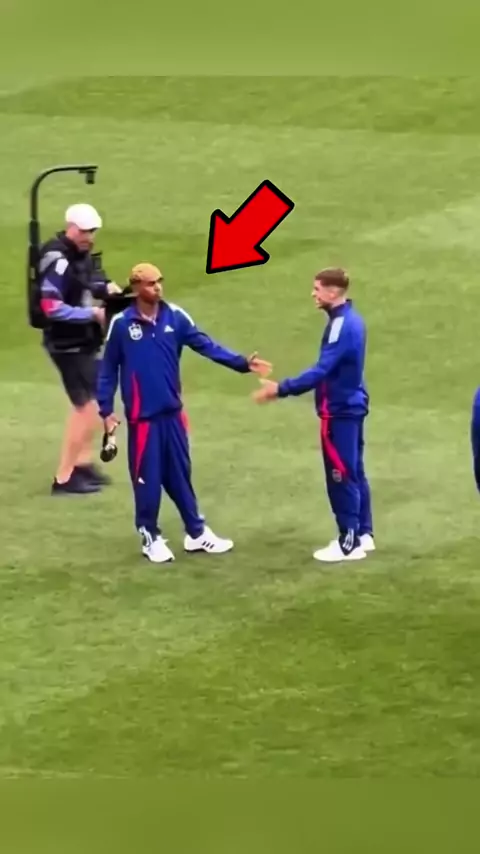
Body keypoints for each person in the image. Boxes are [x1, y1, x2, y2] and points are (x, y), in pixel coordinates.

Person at [96, 262, 272, 563]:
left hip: (172, 415)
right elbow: (108, 369)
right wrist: (106, 409)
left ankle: (196, 532)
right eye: (150, 283)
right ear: (136, 287)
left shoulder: (174, 316)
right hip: (143, 419)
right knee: (147, 479)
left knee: (180, 475)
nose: (157, 288)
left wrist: (241, 363)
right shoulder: (123, 325)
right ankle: (150, 536)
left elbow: (206, 345)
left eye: (159, 281)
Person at [253, 267, 374, 563]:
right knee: (354, 470)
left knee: (340, 474)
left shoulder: (341, 326)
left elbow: (322, 370)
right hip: (351, 405)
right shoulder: (351, 319)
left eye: (318, 289)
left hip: (339, 410)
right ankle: (363, 533)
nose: (313, 294)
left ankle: (348, 542)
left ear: (333, 291)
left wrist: (280, 389)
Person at [38, 203, 122, 495]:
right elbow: (50, 306)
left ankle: (82, 465)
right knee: (87, 409)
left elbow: (90, 280)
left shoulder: (80, 254)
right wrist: (92, 315)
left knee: (96, 402)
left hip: (83, 340)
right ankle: (64, 478)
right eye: (85, 231)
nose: (90, 237)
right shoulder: (57, 259)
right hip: (66, 344)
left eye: (93, 231)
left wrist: (108, 288)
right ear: (71, 228)